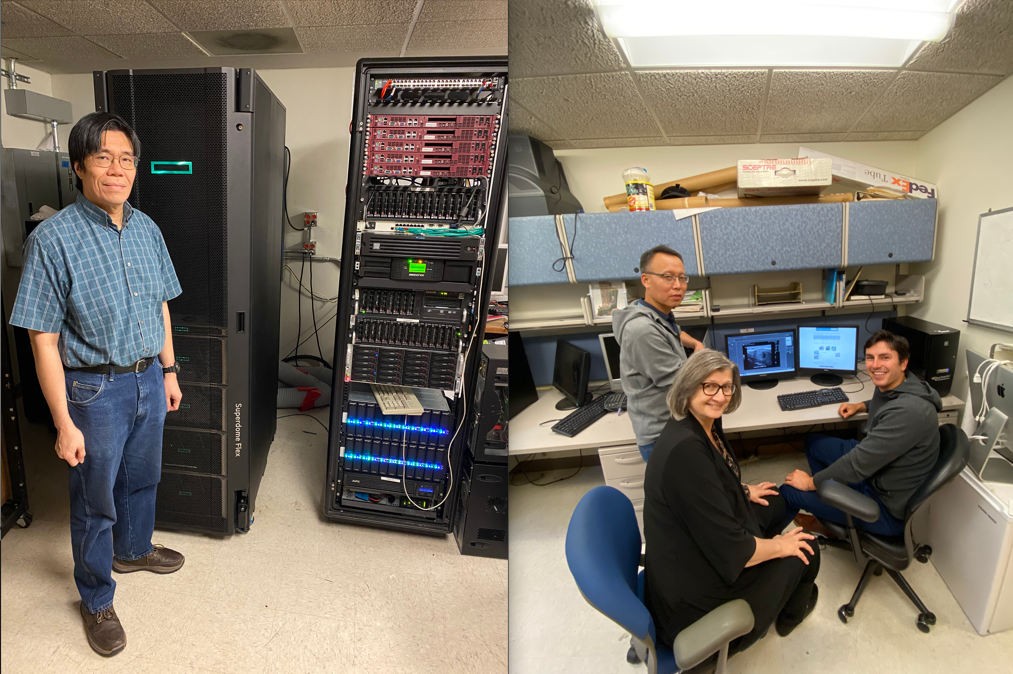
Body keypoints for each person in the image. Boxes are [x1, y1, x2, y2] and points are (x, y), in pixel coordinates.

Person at [9, 112, 186, 657]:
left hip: (148, 380)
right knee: (93, 501)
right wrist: (63, 422)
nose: (118, 169)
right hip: (92, 392)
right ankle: (95, 598)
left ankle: (132, 550)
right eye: (104, 157)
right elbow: (42, 340)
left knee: (143, 479)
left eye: (126, 158)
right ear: (79, 165)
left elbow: (160, 303)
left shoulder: (147, 228)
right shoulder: (53, 239)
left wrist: (169, 370)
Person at [644, 351, 820, 667]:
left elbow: (707, 481)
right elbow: (732, 549)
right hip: (695, 595)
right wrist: (781, 545)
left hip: (702, 543)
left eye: (727, 387)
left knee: (782, 497)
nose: (721, 396)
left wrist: (743, 489)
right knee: (807, 547)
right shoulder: (685, 451)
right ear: (688, 387)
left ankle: (779, 575)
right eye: (709, 386)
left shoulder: (700, 424)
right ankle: (789, 615)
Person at [782, 330, 942, 537]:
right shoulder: (900, 383)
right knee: (813, 443)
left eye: (885, 357)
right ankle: (830, 511)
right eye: (870, 358)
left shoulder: (911, 411)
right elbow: (887, 404)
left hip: (883, 507)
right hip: (879, 468)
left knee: (789, 492)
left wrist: (810, 483)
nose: (876, 365)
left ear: (903, 363)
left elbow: (857, 465)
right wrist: (860, 406)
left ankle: (773, 547)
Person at [612, 245, 706, 461]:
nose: (678, 286)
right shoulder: (642, 329)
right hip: (661, 434)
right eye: (668, 277)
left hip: (671, 424)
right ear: (645, 280)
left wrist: (694, 343)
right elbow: (680, 382)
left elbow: (673, 332)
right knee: (683, 493)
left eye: (682, 278)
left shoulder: (652, 312)